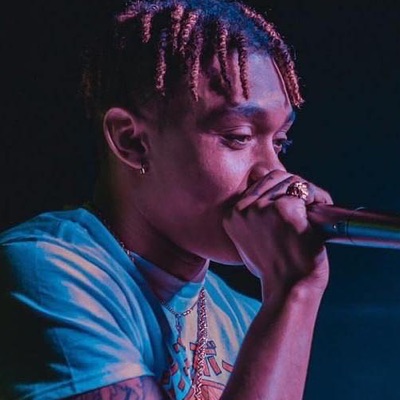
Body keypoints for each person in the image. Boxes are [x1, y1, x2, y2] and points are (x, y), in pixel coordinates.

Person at [0, 1, 333, 399]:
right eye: (239, 136)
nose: (274, 173)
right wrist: (294, 291)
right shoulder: (43, 273)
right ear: (132, 141)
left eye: (280, 142)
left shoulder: (247, 317)